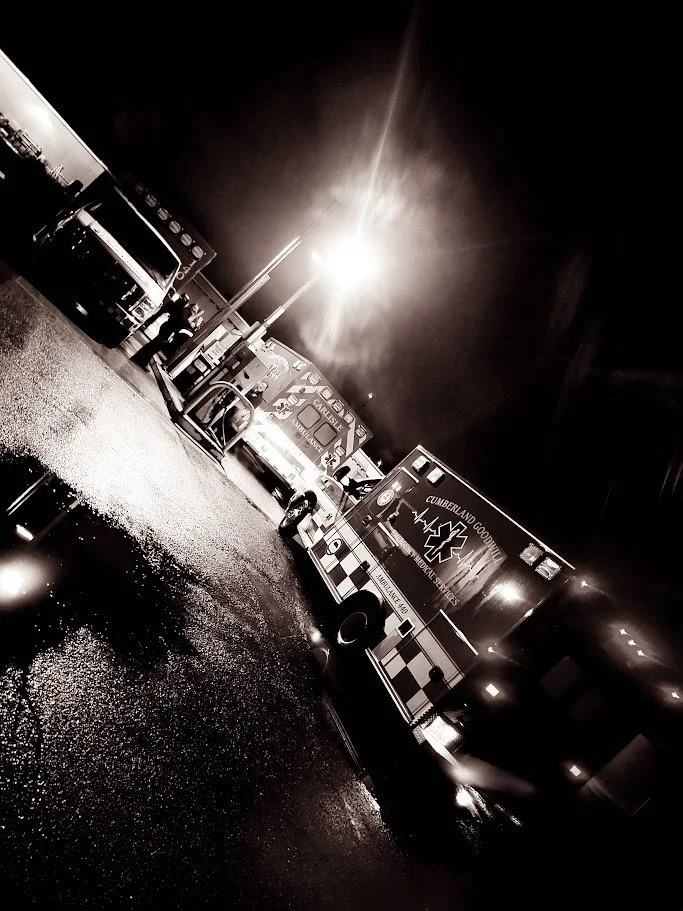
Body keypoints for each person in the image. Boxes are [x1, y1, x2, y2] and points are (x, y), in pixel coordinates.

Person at [131, 292, 194, 370]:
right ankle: (143, 360)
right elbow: (180, 324)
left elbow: (160, 313)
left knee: (154, 344)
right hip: (169, 330)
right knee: (156, 346)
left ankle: (139, 358)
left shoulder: (174, 305)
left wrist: (148, 321)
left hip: (166, 327)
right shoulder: (183, 312)